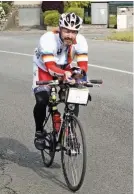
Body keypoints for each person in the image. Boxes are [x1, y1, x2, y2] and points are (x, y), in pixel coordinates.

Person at [32, 12, 89, 150]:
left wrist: (80, 75)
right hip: (44, 68)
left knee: (76, 96)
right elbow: (50, 67)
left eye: (74, 31)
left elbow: (83, 66)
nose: (70, 35)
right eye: (66, 31)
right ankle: (39, 132)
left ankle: (70, 132)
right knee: (42, 99)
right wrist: (65, 75)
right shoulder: (47, 39)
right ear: (60, 28)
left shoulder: (81, 41)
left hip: (65, 67)